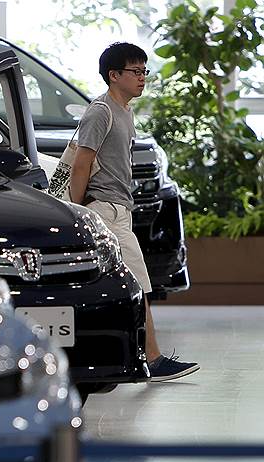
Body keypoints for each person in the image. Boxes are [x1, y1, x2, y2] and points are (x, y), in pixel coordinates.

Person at [69, 42, 199, 382]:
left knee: (126, 285)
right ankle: (152, 360)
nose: (142, 77)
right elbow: (82, 164)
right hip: (104, 210)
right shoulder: (101, 112)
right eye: (135, 71)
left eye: (144, 71)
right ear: (114, 75)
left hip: (119, 209)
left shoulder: (124, 110)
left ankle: (135, 357)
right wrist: (78, 212)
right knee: (138, 284)